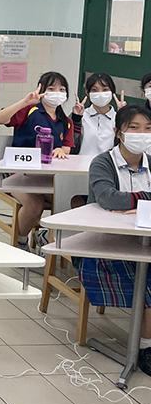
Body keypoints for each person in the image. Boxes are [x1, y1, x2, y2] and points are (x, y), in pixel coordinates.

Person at [77, 104, 151, 376]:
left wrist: (134, 203)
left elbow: (122, 201)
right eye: (134, 128)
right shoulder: (103, 162)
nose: (142, 134)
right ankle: (145, 347)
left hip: (145, 241)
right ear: (119, 132)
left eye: (148, 129)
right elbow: (108, 198)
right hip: (106, 245)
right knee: (148, 280)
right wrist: (145, 200)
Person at [0, 71, 76, 251]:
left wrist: (61, 150)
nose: (57, 93)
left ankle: (47, 237)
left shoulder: (66, 121)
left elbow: (67, 148)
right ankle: (21, 242)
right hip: (17, 174)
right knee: (35, 204)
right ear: (41, 91)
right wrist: (25, 102)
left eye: (62, 89)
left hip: (46, 177)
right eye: (51, 88)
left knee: (70, 201)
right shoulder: (29, 111)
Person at [72, 72, 127, 156]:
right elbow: (69, 143)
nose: (100, 93)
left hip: (107, 163)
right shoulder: (80, 116)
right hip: (80, 162)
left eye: (105, 90)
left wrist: (123, 118)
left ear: (112, 92)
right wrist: (76, 119)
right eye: (94, 90)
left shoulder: (117, 117)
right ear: (87, 92)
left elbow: (126, 145)